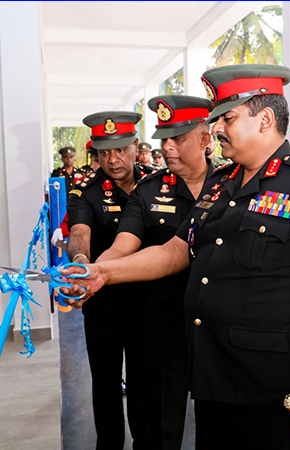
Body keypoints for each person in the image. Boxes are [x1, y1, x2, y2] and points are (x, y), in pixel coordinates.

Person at [64, 64, 290, 449]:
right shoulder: (220, 184)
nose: (215, 129)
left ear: (265, 119)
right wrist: (102, 272)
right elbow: (174, 250)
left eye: (227, 118)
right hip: (213, 378)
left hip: (272, 391)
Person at [95, 94, 214, 450]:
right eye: (164, 139)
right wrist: (96, 270)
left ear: (205, 139)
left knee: (221, 419)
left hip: (218, 324)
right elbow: (123, 244)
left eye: (178, 138)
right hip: (166, 321)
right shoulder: (148, 191)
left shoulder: (231, 186)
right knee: (161, 418)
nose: (168, 147)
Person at [67, 111, 153, 450]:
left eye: (120, 150)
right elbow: (79, 233)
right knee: (105, 382)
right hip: (103, 303)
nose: (113, 160)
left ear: (135, 147)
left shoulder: (156, 185)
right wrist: (80, 263)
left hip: (148, 302)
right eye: (104, 153)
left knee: (144, 381)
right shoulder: (85, 192)